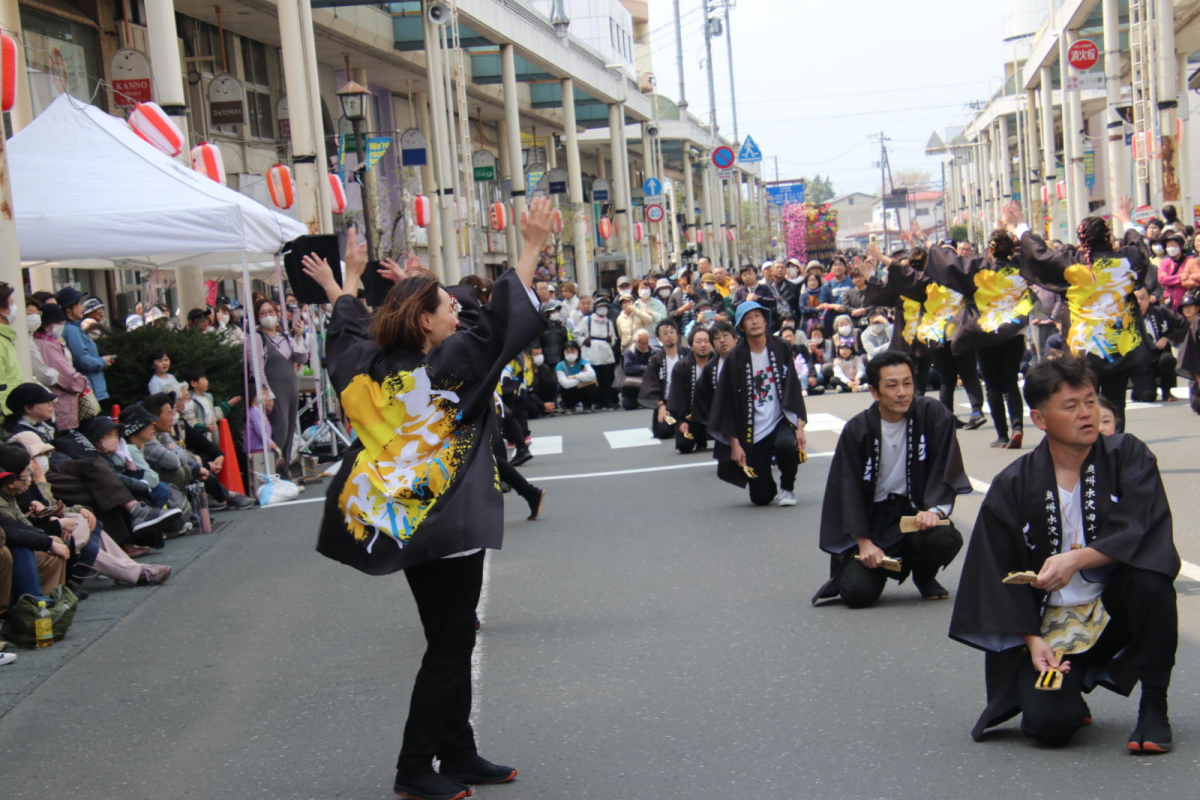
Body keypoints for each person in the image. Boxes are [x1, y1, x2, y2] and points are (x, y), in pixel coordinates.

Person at [305, 202, 555, 798]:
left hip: (400, 518)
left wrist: (344, 283)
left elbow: (345, 335)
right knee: (449, 646)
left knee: (452, 634)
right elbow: (501, 325)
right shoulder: (449, 367)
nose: (458, 314)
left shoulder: (369, 366)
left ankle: (458, 751)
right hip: (444, 523)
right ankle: (414, 768)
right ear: (425, 324)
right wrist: (531, 246)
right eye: (447, 307)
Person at [949, 354, 1179, 752]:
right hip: (1047, 623)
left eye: (1090, 401)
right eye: (1071, 406)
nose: (1086, 414)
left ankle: (1154, 706)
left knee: (1152, 580)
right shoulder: (1013, 484)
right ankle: (1070, 693)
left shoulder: (1128, 454)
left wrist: (1077, 558)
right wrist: (1030, 639)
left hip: (1113, 611)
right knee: (1048, 728)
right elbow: (994, 571)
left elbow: (1142, 528)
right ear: (1040, 420)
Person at [813, 351, 971, 608]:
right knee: (857, 594)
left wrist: (934, 510)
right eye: (892, 385)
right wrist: (864, 543)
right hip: (874, 522)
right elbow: (846, 490)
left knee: (944, 536)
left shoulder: (931, 413)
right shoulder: (858, 430)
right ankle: (880, 565)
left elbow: (946, 465)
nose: (902, 392)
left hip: (913, 515)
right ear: (875, 392)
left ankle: (924, 575)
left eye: (907, 383)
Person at [1007, 198, 1149, 431]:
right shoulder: (1125, 262)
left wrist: (1021, 225)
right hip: (1119, 343)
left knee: (1084, 402)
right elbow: (1141, 250)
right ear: (1109, 238)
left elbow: (1040, 254)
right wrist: (1126, 220)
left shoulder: (1072, 268)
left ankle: (1089, 445)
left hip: (1084, 347)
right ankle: (1114, 448)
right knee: (1116, 402)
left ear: (1082, 242)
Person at [928, 219, 1037, 448]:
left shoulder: (980, 270)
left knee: (992, 385)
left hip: (986, 333)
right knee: (1010, 382)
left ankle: (1003, 435)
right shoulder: (1020, 269)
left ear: (990, 249)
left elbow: (952, 266)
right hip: (1014, 333)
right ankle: (1017, 426)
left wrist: (934, 246)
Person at [708, 302, 807, 507]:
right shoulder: (735, 358)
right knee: (760, 497)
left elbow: (793, 387)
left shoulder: (780, 346)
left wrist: (799, 424)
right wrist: (735, 444)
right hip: (752, 428)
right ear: (741, 327)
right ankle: (767, 485)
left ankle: (787, 487)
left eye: (757, 316)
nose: (754, 321)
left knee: (786, 445)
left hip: (780, 418)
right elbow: (727, 404)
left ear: (765, 320)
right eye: (748, 318)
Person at [253, 297, 308, 468]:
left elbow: (302, 358)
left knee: (290, 429)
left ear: (277, 314)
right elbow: (258, 369)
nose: (267, 316)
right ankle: (273, 470)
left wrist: (299, 336)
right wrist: (267, 393)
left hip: (291, 389)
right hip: (274, 390)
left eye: (270, 312)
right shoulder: (257, 338)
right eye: (262, 313)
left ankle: (285, 471)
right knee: (279, 430)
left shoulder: (285, 337)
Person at [32, 304, 90, 432]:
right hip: (61, 404)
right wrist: (83, 382)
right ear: (49, 323)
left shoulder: (48, 341)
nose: (61, 324)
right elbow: (66, 377)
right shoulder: (46, 345)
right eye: (59, 321)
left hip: (62, 403)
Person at [57, 286, 114, 414]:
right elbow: (83, 360)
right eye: (78, 303)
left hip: (93, 389)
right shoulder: (71, 330)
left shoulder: (75, 328)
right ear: (68, 309)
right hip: (90, 390)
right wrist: (102, 362)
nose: (82, 307)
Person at [1131, 287, 1187, 402]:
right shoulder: (1127, 318)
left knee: (1168, 359)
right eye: (1136, 299)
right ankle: (1138, 389)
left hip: (1159, 355)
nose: (1139, 302)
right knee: (1148, 397)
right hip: (1140, 362)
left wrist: (1166, 338)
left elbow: (1183, 324)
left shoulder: (1160, 312)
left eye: (1143, 298)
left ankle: (1167, 390)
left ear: (1149, 299)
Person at [639, 320, 688, 439]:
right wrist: (660, 405)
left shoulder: (688, 355)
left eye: (672, 332)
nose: (669, 336)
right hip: (667, 404)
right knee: (664, 431)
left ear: (677, 334)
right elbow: (650, 384)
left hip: (687, 404)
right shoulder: (656, 360)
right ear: (658, 338)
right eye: (665, 333)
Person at [668, 326, 714, 453]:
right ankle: (699, 435)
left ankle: (708, 435)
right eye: (698, 342)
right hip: (691, 415)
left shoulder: (720, 363)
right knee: (684, 444)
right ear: (691, 345)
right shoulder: (681, 367)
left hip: (716, 414)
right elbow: (678, 397)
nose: (703, 345)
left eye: (706, 341)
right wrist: (682, 420)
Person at [576, 298, 619, 410]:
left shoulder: (608, 322)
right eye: (601, 307)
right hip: (590, 353)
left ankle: (607, 401)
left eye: (605, 307)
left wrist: (611, 341)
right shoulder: (587, 320)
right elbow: (576, 334)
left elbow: (614, 337)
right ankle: (594, 401)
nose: (603, 310)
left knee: (606, 379)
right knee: (592, 379)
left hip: (605, 353)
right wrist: (584, 341)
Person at [555, 341, 599, 413]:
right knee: (566, 388)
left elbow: (592, 375)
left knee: (591, 386)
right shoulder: (560, 365)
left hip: (583, 389)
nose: (570, 354)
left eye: (573, 351)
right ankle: (570, 406)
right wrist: (582, 378)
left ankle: (587, 405)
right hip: (570, 391)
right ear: (563, 353)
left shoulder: (583, 362)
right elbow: (565, 383)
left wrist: (574, 376)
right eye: (567, 352)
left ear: (578, 352)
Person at [621, 329, 654, 411]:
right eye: (641, 344)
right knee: (628, 405)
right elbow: (627, 369)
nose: (644, 346)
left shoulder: (654, 351)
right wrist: (644, 368)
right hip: (633, 385)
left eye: (646, 343)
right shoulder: (629, 352)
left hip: (649, 384)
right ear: (635, 342)